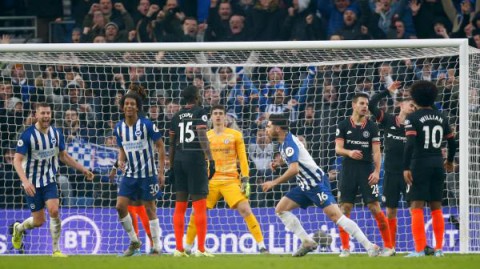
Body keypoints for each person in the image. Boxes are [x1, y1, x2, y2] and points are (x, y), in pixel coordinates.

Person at [262, 114, 380, 257]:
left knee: (337, 217)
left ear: (278, 128)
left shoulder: (289, 143)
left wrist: (273, 182)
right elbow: (294, 158)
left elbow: (294, 169)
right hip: (305, 185)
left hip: (316, 184)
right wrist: (278, 163)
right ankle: (307, 241)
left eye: (268, 126)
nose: (266, 129)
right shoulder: (284, 142)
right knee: (281, 209)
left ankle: (370, 246)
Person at [11, 103, 94, 257]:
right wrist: (26, 182)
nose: (46, 116)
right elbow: (16, 161)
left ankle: (56, 250)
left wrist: (83, 169)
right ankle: (19, 229)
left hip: (49, 180)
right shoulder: (27, 135)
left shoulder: (56, 134)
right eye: (43, 113)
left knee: (54, 211)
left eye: (48, 113)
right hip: (32, 183)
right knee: (39, 221)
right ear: (36, 115)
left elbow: (63, 156)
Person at [184, 105, 268, 254]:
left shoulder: (235, 135)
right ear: (211, 117)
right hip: (210, 181)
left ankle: (261, 246)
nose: (217, 116)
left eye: (220, 114)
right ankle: (187, 247)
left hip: (231, 180)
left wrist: (246, 179)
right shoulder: (205, 136)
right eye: (215, 113)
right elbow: (199, 160)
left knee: (245, 209)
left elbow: (243, 159)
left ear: (225, 117)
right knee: (197, 211)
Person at [335, 92, 394, 257]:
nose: (365, 107)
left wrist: (376, 171)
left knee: (374, 207)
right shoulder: (343, 124)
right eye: (361, 103)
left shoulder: (372, 126)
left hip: (367, 172)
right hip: (348, 171)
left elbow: (377, 152)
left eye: (366, 104)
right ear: (354, 105)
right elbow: (338, 149)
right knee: (344, 208)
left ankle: (389, 247)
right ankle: (345, 249)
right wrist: (349, 152)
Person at [403, 80, 456, 257]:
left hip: (420, 163)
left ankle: (419, 250)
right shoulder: (442, 117)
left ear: (415, 98)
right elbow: (452, 141)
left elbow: (410, 144)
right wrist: (449, 160)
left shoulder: (412, 118)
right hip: (437, 163)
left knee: (416, 205)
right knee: (436, 206)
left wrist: (405, 167)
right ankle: (439, 249)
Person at [113, 92, 165, 256]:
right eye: (126, 103)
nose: (129, 106)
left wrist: (161, 172)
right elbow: (122, 149)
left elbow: (161, 146)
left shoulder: (147, 124)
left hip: (148, 174)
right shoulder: (119, 128)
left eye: (132, 104)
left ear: (137, 107)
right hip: (129, 175)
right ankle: (134, 241)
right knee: (120, 206)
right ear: (122, 107)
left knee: (150, 208)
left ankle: (156, 246)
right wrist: (120, 161)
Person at [368, 82, 416, 253]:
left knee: (414, 210)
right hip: (390, 174)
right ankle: (390, 247)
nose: (413, 108)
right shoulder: (388, 120)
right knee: (390, 211)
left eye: (415, 107)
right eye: (411, 105)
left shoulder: (415, 126)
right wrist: (387, 91)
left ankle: (418, 247)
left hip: (409, 174)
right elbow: (371, 104)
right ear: (401, 105)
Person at [169, 85, 215, 257]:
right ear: (196, 97)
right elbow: (202, 135)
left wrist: (171, 167)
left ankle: (179, 249)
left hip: (179, 161)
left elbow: (171, 145)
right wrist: (210, 158)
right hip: (195, 160)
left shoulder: (175, 116)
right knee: (199, 206)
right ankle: (201, 249)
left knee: (180, 206)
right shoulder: (200, 112)